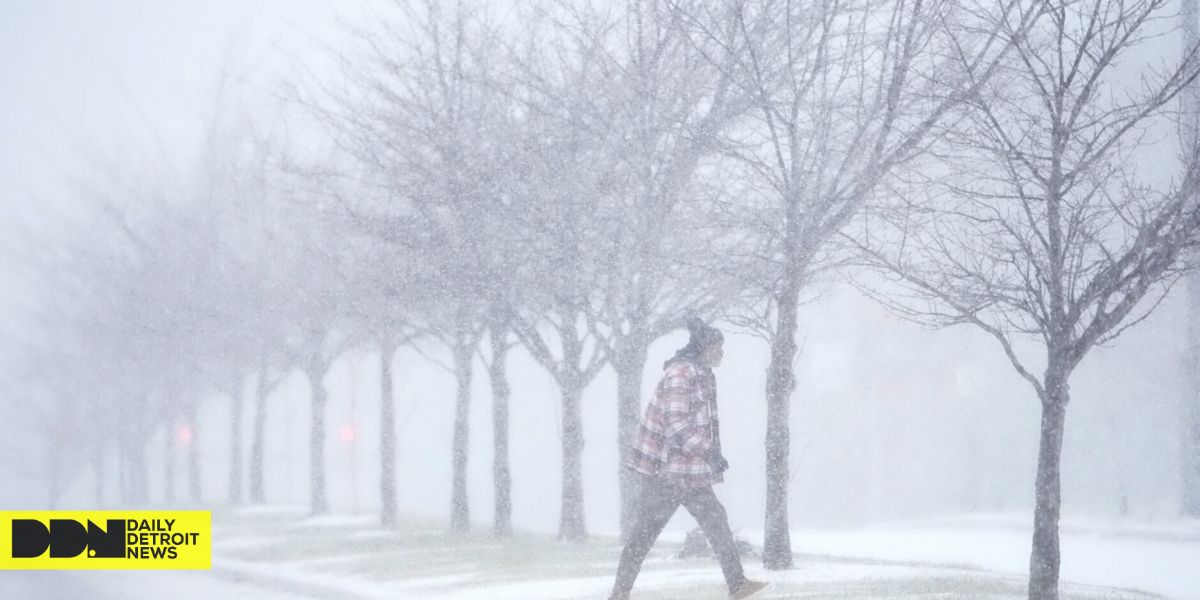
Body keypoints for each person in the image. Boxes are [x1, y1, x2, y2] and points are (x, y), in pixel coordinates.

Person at [609, 317, 768, 600]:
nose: (722, 353)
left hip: (689, 472)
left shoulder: (703, 373)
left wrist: (709, 455)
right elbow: (676, 423)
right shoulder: (682, 374)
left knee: (716, 521)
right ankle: (620, 592)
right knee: (645, 532)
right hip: (666, 471)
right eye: (718, 347)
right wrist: (708, 452)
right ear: (704, 347)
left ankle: (738, 585)